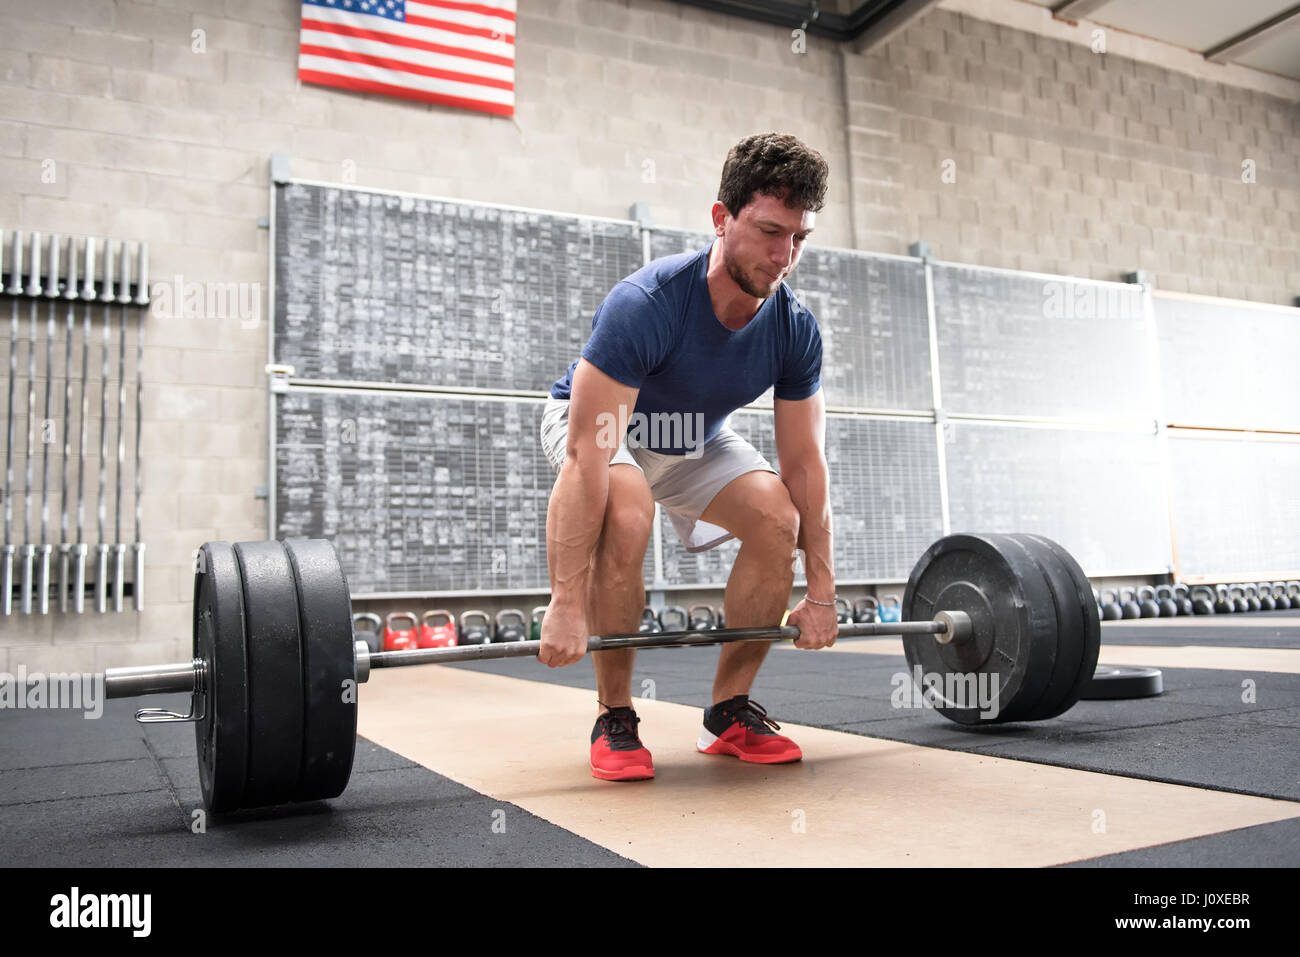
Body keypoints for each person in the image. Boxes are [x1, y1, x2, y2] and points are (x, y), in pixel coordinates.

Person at [538, 132, 838, 781]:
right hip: (598, 430)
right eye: (767, 231)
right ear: (721, 218)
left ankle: (729, 713)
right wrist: (565, 600)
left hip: (690, 434)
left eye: (798, 237)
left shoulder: (794, 329)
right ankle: (615, 716)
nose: (783, 255)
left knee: (777, 517)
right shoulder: (648, 305)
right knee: (628, 512)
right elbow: (587, 460)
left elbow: (805, 465)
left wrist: (822, 589)